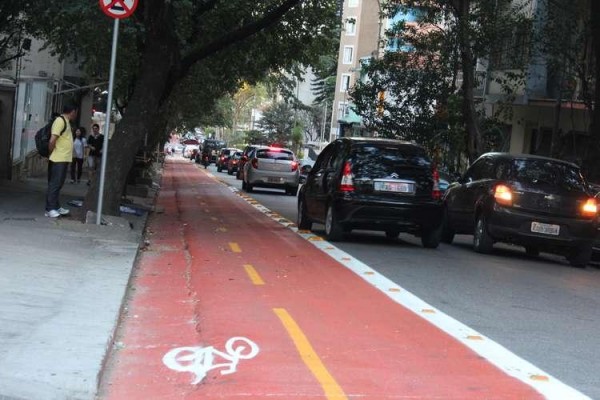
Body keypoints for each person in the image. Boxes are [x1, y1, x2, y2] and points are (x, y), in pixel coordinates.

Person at [45, 104, 78, 218]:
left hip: (63, 158)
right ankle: (50, 209)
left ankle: (56, 206)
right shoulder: (60, 121)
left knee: (58, 184)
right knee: (55, 184)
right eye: (76, 112)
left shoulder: (66, 121)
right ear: (72, 111)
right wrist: (50, 153)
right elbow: (52, 140)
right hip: (58, 158)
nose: (76, 115)